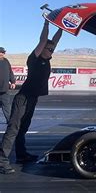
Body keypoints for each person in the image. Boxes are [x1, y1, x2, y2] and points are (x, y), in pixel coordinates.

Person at [0, 19, 62, 174]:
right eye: (49, 49)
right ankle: (1, 161)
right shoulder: (34, 59)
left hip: (33, 99)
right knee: (13, 128)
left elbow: (54, 40)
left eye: (52, 50)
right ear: (42, 49)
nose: (52, 51)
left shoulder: (47, 58)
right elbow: (43, 40)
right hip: (23, 98)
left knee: (23, 129)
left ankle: (21, 155)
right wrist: (47, 24)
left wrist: (62, 27)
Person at [0, 47, 16, 123]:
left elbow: (10, 72)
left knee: (6, 106)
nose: (2, 54)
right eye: (1, 52)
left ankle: (9, 121)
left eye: (3, 52)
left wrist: (13, 82)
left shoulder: (6, 61)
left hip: (4, 89)